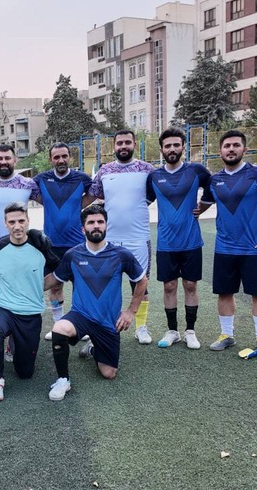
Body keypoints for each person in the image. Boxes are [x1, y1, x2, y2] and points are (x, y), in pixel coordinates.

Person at [195, 130, 257, 356]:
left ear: (245, 149)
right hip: (224, 249)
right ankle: (227, 335)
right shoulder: (215, 180)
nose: (231, 149)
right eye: (227, 146)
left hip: (254, 249)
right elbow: (202, 206)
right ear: (220, 151)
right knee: (224, 293)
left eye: (236, 145)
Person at [46, 204, 147, 401]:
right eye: (91, 222)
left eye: (100, 222)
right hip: (81, 315)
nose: (96, 226)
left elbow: (141, 281)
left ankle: (93, 348)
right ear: (83, 229)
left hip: (108, 322)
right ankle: (63, 380)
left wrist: (130, 312)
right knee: (59, 328)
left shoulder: (121, 254)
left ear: (106, 225)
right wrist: (24, 281)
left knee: (109, 373)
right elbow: (53, 281)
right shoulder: (73, 255)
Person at [0, 202, 60, 402]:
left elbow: (60, 269)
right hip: (5, 309)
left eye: (21, 221)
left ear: (28, 221)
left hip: (30, 314)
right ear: (5, 224)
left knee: (25, 373)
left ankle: (14, 343)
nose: (17, 226)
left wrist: (39, 285)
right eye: (12, 222)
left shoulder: (39, 245)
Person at [146, 127, 212, 350]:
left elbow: (212, 187)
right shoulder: (154, 177)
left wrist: (203, 206)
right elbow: (143, 201)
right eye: (168, 146)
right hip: (166, 243)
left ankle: (190, 331)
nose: (172, 149)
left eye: (176, 145)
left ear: (184, 147)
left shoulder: (196, 171)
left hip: (191, 241)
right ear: (161, 149)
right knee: (169, 286)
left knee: (190, 285)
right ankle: (172, 331)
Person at [89, 129, 156, 345]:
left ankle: (141, 327)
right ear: (114, 146)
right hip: (109, 240)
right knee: (104, 284)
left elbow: (154, 194)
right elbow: (95, 195)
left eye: (127, 142)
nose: (123, 146)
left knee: (140, 283)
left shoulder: (147, 170)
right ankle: (101, 324)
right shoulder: (104, 171)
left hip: (138, 237)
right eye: (120, 143)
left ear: (134, 144)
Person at [33, 142, 94, 341]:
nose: (61, 160)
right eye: (56, 157)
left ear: (70, 157)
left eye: (64, 156)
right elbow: (35, 195)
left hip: (77, 245)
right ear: (51, 159)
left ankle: (79, 325)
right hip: (51, 246)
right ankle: (59, 325)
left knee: (80, 287)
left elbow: (95, 194)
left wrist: (77, 205)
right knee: (55, 286)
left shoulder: (82, 178)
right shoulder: (41, 179)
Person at [0, 145, 40, 321]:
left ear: (14, 160)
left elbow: (49, 203)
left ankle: (19, 327)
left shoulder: (28, 184)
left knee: (21, 288)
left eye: (7, 158)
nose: (4, 162)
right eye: (0, 158)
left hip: (21, 247)